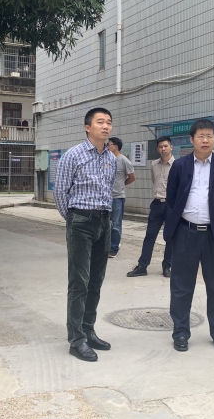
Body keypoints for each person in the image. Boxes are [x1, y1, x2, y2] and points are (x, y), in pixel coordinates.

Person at [164, 119, 214, 352]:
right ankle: (181, 332)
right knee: (181, 287)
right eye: (200, 136)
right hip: (186, 233)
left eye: (209, 136)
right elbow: (171, 198)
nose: (205, 140)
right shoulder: (180, 165)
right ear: (192, 139)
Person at [54, 108, 116, 362]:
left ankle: (88, 330)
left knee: (96, 281)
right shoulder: (73, 155)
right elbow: (61, 192)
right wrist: (73, 219)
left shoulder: (111, 158)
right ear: (87, 127)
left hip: (104, 221)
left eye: (109, 122)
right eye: (100, 122)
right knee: (79, 282)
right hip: (80, 221)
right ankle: (76, 339)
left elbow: (108, 189)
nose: (106, 126)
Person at [127, 136, 174, 278]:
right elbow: (155, 181)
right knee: (149, 236)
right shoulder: (154, 164)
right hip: (157, 204)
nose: (163, 149)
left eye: (165, 146)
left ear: (171, 147)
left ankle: (167, 266)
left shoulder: (178, 165)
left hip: (171, 205)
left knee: (170, 237)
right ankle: (142, 266)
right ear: (158, 149)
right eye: (160, 147)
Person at [107, 137, 135, 258]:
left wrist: (122, 185)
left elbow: (132, 177)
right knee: (105, 224)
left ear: (115, 147)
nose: (107, 146)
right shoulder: (107, 159)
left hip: (117, 197)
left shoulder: (124, 160)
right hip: (105, 197)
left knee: (115, 224)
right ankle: (105, 246)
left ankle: (114, 248)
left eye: (109, 144)